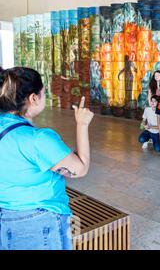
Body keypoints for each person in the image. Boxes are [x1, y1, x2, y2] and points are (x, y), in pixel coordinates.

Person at [0, 67, 94, 250]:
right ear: (33, 98)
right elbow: (80, 168)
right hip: (40, 223)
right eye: (44, 91)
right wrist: (82, 124)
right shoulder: (38, 139)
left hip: (5, 218)